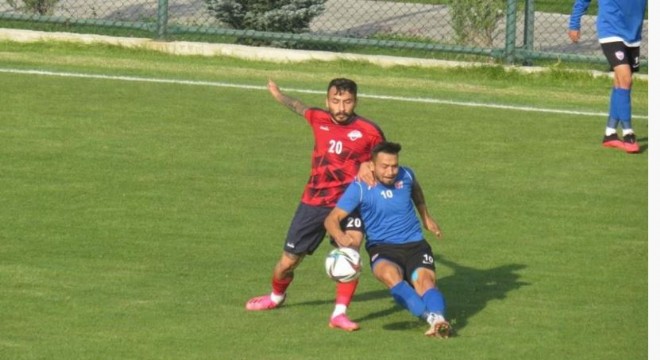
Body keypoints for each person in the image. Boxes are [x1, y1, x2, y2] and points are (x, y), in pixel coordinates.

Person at [245, 78, 386, 332]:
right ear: (327, 101)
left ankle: (339, 314)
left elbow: (386, 163)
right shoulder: (318, 118)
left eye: (347, 102)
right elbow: (298, 106)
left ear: (356, 101)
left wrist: (370, 167)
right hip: (314, 202)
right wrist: (278, 94)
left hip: (349, 203)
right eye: (336, 101)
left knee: (350, 250)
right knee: (287, 263)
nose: (341, 107)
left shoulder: (370, 131)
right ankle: (276, 296)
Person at [324, 141, 452, 338]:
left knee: (425, 282)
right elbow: (331, 219)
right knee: (390, 275)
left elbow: (416, 190)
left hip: (415, 245)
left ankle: (439, 319)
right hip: (382, 249)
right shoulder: (360, 187)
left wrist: (426, 217)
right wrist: (342, 239)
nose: (391, 171)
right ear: (372, 166)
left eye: (394, 166)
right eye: (385, 166)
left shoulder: (407, 175)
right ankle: (432, 319)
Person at [568, 0, 647, 154]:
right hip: (610, 29)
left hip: (633, 32)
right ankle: (628, 133)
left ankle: (610, 133)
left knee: (622, 83)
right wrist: (574, 23)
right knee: (625, 79)